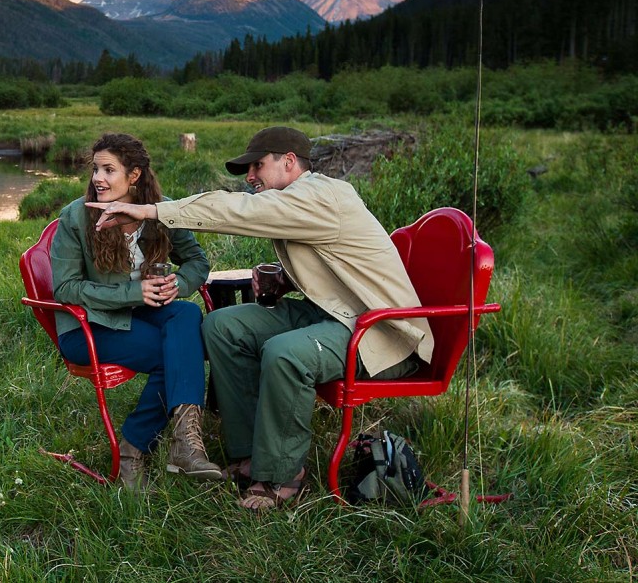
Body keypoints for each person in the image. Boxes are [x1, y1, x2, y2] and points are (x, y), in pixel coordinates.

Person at [87, 126, 432, 511]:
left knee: (285, 353)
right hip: (335, 313)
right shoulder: (296, 200)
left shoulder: (319, 195)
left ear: (289, 161)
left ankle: (283, 475)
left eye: (257, 166)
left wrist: (153, 210)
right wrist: (286, 280)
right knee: (221, 326)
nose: (250, 177)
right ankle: (250, 453)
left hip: (382, 332)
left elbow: (240, 209)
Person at [50, 133, 218, 490]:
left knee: (186, 316)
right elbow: (65, 288)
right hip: (87, 327)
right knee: (173, 353)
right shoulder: (76, 217)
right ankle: (134, 449)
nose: (98, 178)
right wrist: (133, 291)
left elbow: (197, 262)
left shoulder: (160, 212)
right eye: (96, 169)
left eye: (109, 170)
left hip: (136, 315)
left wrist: (179, 284)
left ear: (135, 175)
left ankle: (186, 442)